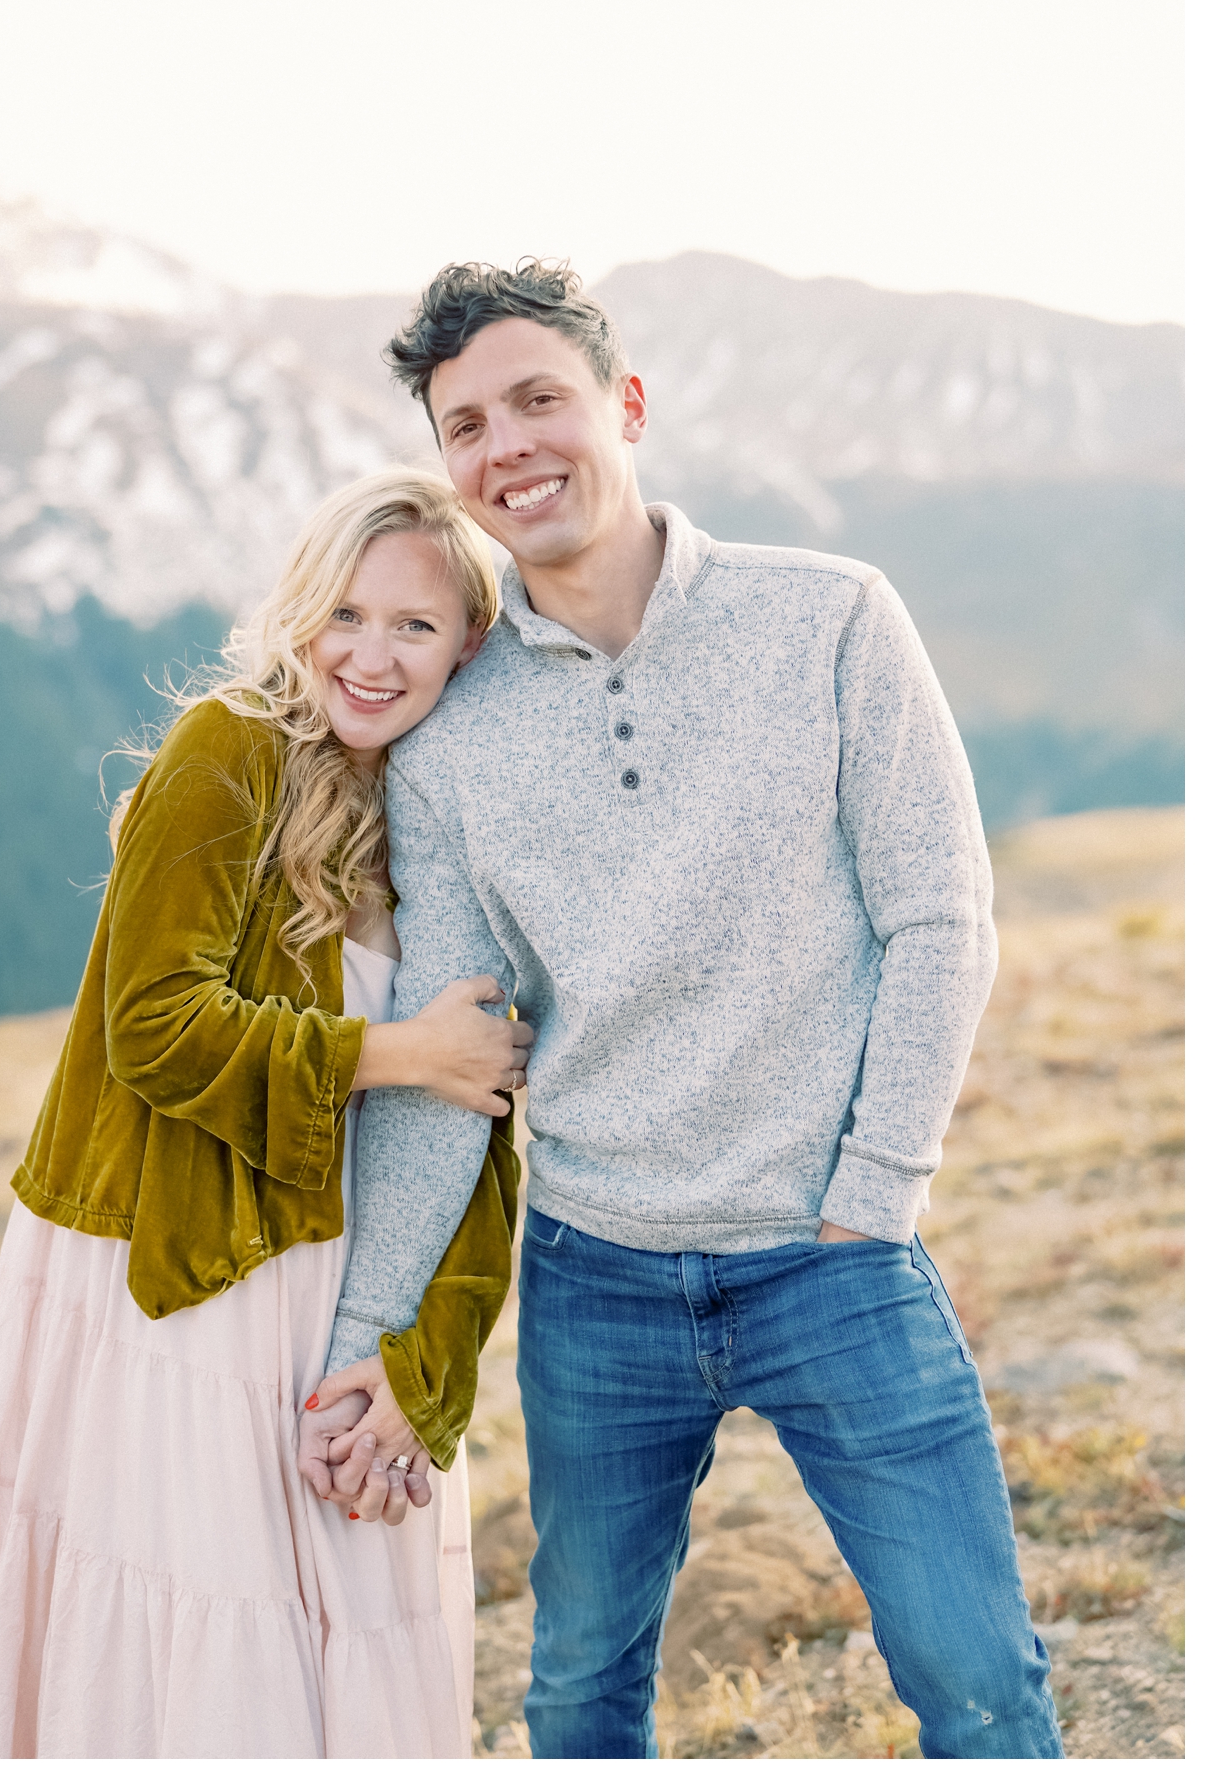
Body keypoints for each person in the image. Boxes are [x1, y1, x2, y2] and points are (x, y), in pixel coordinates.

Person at [308, 262, 1065, 1759]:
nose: (506, 444)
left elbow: (938, 915)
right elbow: (454, 1062)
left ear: (624, 405)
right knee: (577, 1693)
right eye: (466, 425)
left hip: (831, 1257)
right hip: (598, 1280)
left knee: (973, 1680)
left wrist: (872, 1194)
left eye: (538, 399)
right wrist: (371, 1333)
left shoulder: (832, 620)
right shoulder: (452, 733)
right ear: (452, 469)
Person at [0, 467, 534, 1760]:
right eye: (347, 612)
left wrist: (428, 1364)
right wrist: (399, 1051)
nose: (372, 655)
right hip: (169, 1282)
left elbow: (476, 1123)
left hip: (335, 1293)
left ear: (470, 643)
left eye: (415, 626)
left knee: (324, 1646)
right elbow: (157, 1025)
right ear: (299, 610)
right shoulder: (229, 748)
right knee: (186, 1653)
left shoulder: (440, 821)